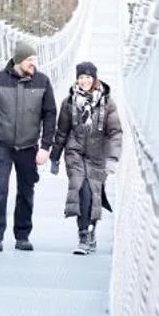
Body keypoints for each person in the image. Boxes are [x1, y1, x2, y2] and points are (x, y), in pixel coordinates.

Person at [0, 42, 55, 252]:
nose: (33, 64)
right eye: (30, 60)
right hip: (2, 145)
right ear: (19, 60)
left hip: (29, 147)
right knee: (0, 190)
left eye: (35, 60)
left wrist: (45, 147)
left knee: (26, 192)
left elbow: (50, 116)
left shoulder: (43, 82)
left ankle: (22, 236)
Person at [49, 61, 123, 254]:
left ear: (94, 79)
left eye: (88, 77)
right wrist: (55, 157)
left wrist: (113, 158)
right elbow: (62, 132)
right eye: (81, 77)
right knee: (82, 190)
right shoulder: (69, 102)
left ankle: (91, 231)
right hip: (75, 153)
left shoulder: (107, 103)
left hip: (98, 155)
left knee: (94, 193)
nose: (84, 81)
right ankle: (83, 235)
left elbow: (115, 132)